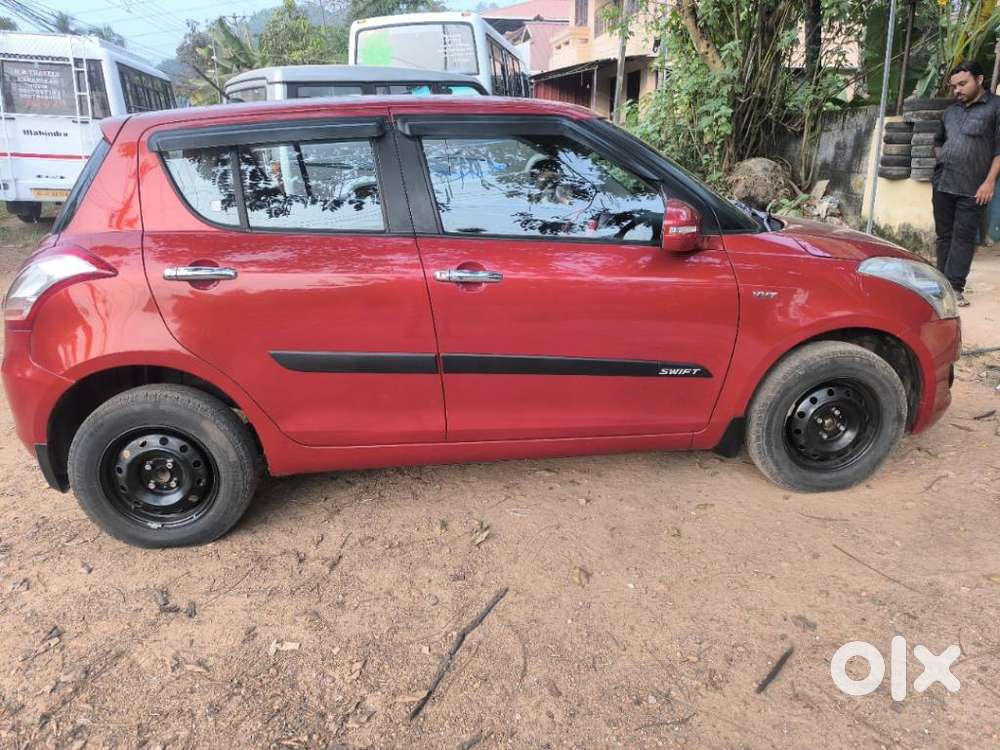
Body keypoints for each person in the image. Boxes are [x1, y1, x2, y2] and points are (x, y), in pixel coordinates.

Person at [933, 60, 1000, 307]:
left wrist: (989, 182)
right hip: (942, 183)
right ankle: (941, 284)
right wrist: (942, 160)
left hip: (974, 186)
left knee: (963, 237)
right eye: (954, 86)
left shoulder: (995, 108)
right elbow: (938, 141)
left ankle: (955, 287)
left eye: (963, 84)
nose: (957, 90)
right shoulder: (951, 112)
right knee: (944, 235)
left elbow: (999, 150)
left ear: (979, 80)